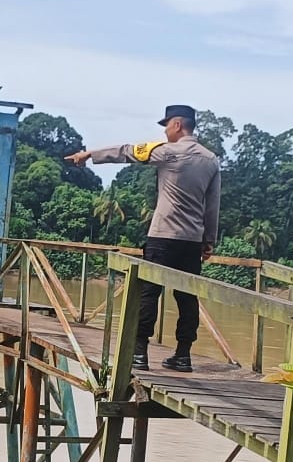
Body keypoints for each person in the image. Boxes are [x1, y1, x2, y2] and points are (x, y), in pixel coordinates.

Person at [64, 104, 221, 372]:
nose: (165, 131)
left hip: (163, 236)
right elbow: (212, 204)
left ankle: (139, 353)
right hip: (192, 240)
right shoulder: (211, 160)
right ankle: (183, 355)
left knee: (149, 293)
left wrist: (90, 155)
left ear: (177, 125)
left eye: (167, 125)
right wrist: (209, 239)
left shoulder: (167, 152)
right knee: (187, 298)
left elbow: (127, 152)